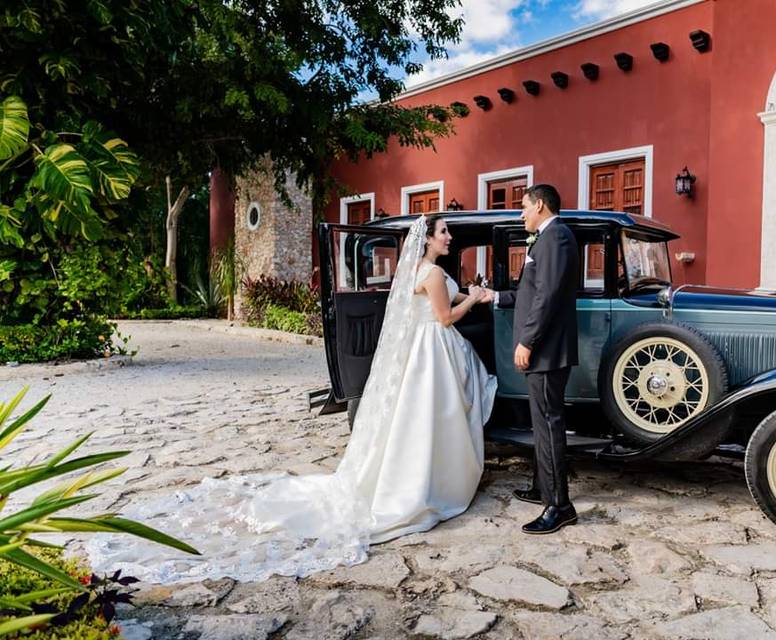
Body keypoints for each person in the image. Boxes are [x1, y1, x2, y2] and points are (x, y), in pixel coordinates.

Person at [86, 215, 497, 583]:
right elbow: (445, 317)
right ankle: (429, 485)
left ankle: (427, 474)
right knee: (432, 418)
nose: (448, 237)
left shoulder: (426, 272)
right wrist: (473, 303)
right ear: (427, 240)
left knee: (421, 422)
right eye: (444, 232)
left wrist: (474, 295)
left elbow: (451, 299)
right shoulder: (432, 274)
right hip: (434, 347)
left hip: (427, 349)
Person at [480, 184, 579, 535]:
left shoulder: (557, 237)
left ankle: (560, 506)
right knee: (542, 422)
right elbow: (529, 292)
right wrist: (495, 296)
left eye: (523, 207)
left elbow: (548, 297)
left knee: (548, 424)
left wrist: (527, 341)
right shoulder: (547, 238)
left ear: (539, 205)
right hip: (546, 349)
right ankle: (543, 488)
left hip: (547, 351)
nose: (520, 213)